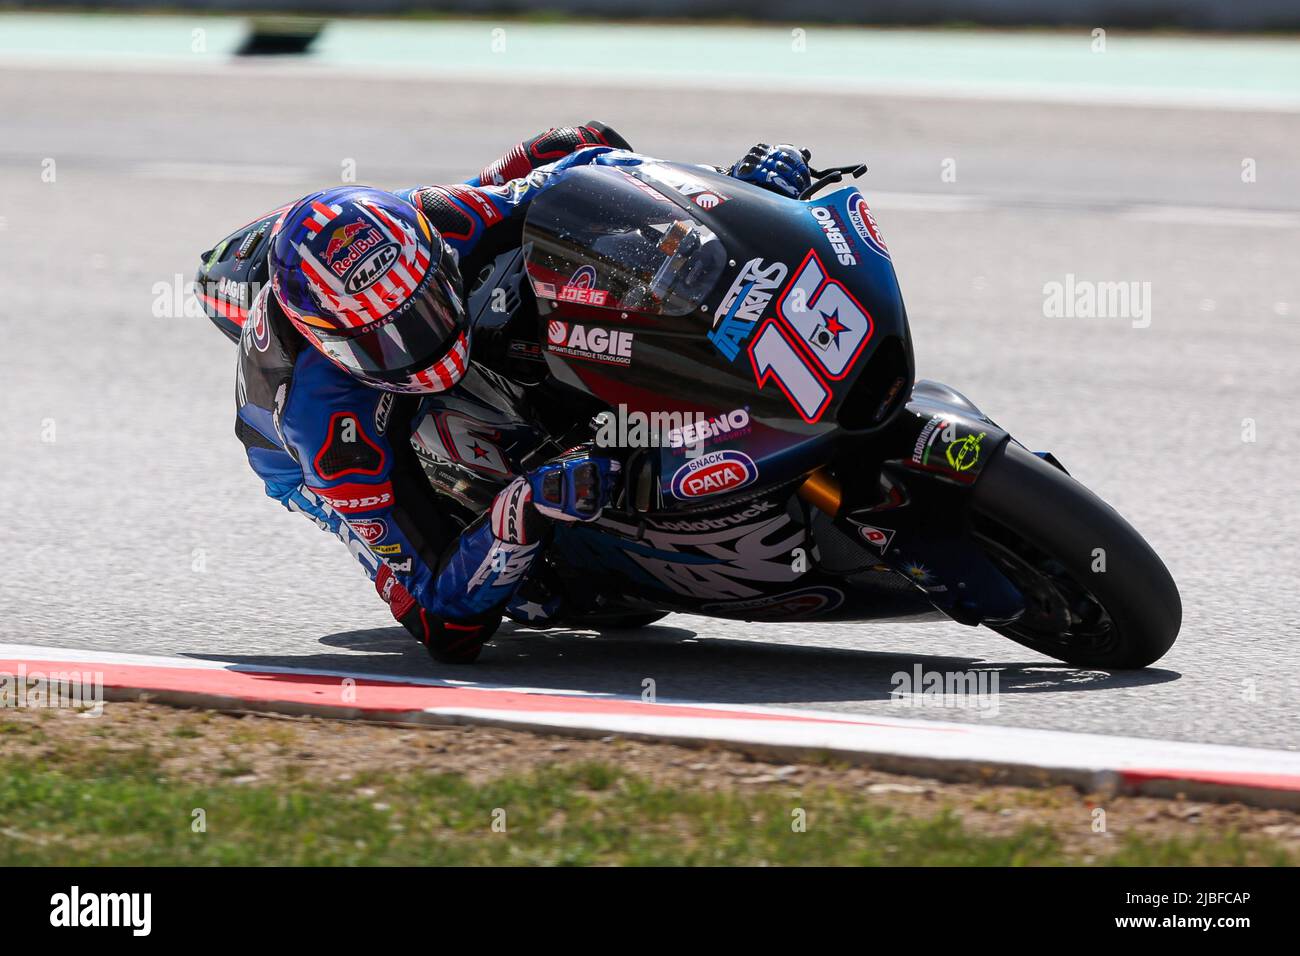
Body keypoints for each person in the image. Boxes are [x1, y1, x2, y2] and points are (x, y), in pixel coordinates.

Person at [226, 123, 811, 663]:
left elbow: (590, 164)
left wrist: (730, 187)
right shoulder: (325, 425)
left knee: (569, 147)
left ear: (434, 259)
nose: (420, 346)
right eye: (386, 342)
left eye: (425, 310)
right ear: (329, 342)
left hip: (433, 229)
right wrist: (523, 507)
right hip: (309, 464)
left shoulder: (449, 219)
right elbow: (444, 626)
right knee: (540, 596)